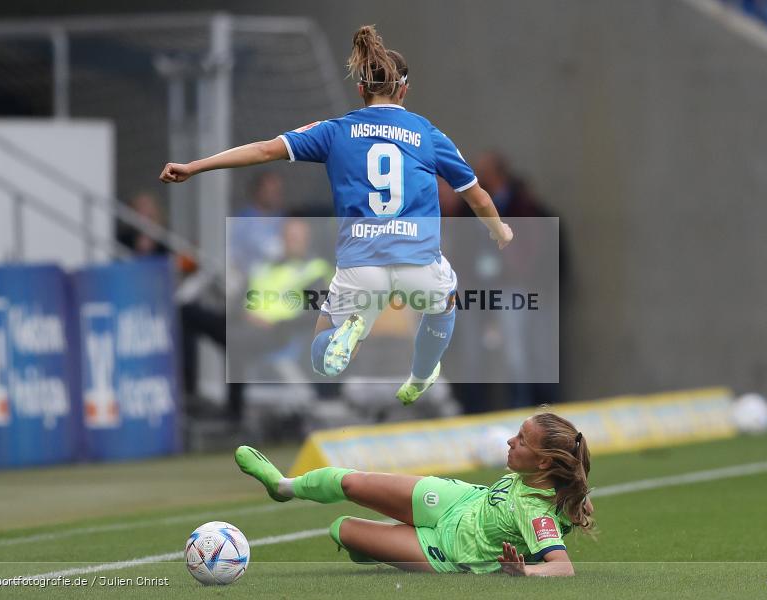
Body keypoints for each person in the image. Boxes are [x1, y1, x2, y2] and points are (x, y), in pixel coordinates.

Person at [161, 25, 513, 406]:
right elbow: (476, 196)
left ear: (360, 89)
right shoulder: (427, 134)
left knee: (322, 358)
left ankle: (347, 335)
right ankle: (422, 372)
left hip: (361, 264)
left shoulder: (335, 131)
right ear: (404, 90)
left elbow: (264, 151)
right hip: (419, 261)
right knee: (444, 303)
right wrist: (500, 231)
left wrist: (195, 166)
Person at [234, 410, 593, 575]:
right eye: (516, 432)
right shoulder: (537, 476)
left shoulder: (537, 514)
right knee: (352, 483)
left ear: (544, 464)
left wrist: (526, 572)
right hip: (464, 500)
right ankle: (282, 486)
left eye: (522, 441)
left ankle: (377, 548)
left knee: (341, 528)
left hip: (451, 550)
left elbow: (562, 568)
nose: (510, 441)